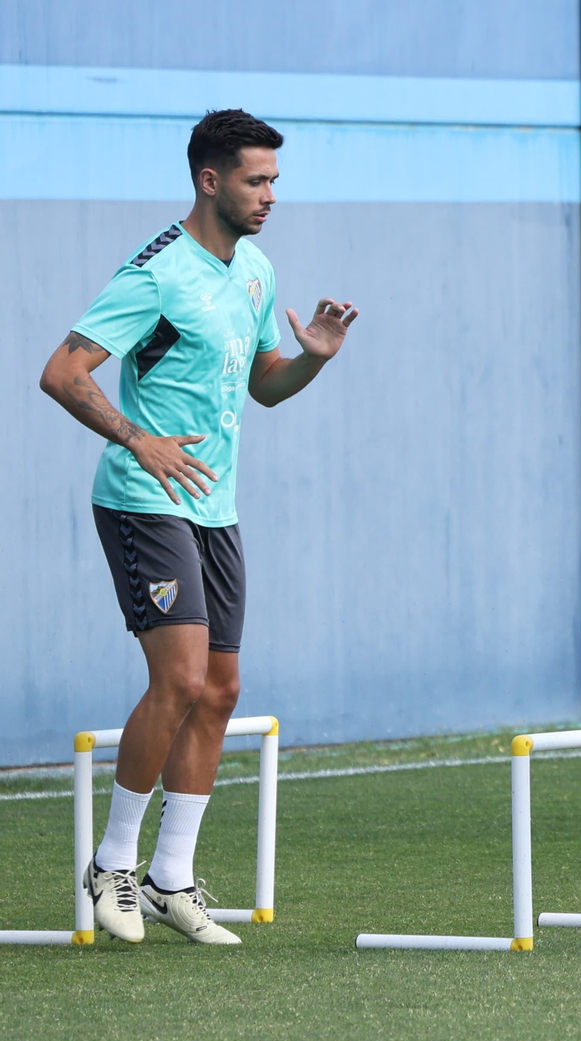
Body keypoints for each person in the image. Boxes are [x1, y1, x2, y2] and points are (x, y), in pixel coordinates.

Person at [38, 110, 359, 944]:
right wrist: (137, 439)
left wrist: (313, 358)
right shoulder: (155, 273)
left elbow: (264, 387)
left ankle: (169, 880)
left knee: (221, 690)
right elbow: (62, 373)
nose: (270, 196)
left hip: (215, 505)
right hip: (144, 499)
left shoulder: (253, 269)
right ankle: (111, 863)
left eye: (275, 182)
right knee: (178, 679)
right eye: (257, 181)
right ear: (209, 181)